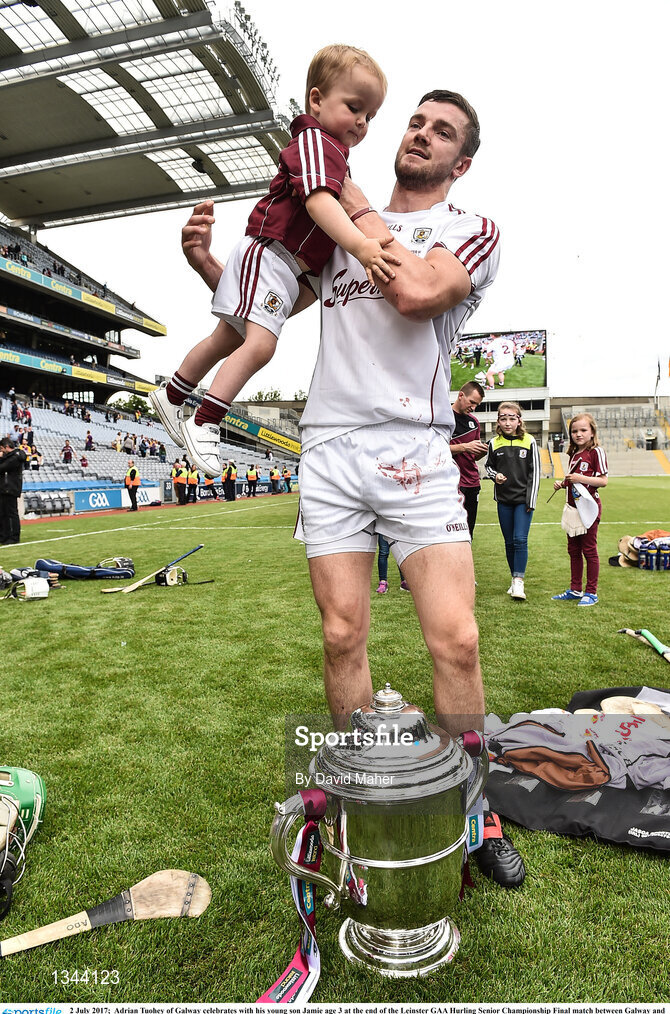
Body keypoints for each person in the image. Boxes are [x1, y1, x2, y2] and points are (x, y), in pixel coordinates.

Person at [180, 89, 526, 888]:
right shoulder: (334, 229)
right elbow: (275, 304)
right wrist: (211, 268)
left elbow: (414, 293)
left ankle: (476, 812)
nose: (420, 135)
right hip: (331, 448)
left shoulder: (469, 231)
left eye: (441, 132)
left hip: (416, 450)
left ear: (461, 162)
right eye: (415, 121)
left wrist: (347, 196)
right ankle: (356, 799)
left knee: (458, 640)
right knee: (341, 637)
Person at [149, 44, 398, 478]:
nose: (361, 122)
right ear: (316, 101)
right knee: (259, 344)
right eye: (355, 107)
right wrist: (361, 245)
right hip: (270, 252)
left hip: (285, 267)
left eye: (370, 116)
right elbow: (320, 202)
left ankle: (172, 396)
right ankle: (205, 421)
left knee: (229, 337)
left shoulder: (332, 152)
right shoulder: (317, 142)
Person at [551, 413, 608, 607]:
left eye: (583, 430)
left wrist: (578, 478)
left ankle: (591, 592)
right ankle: (576, 589)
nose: (578, 434)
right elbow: (575, 482)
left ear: (592, 432)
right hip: (572, 509)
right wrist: (564, 484)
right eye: (574, 431)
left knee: (589, 551)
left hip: (588, 509)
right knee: (573, 550)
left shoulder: (596, 451)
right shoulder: (574, 454)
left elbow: (603, 481)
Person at [484, 403, 540, 601]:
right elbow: (488, 467)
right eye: (503, 419)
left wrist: (531, 500)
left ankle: (519, 581)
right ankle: (513, 578)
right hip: (504, 500)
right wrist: (495, 476)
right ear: (498, 421)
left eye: (512, 418)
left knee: (520, 539)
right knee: (509, 542)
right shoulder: (494, 443)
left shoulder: (529, 441)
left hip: (523, 501)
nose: (508, 423)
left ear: (519, 420)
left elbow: (536, 473)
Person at [449, 381, 488, 539]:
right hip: (450, 484)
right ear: (460, 395)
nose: (473, 407)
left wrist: (481, 452)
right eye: (472, 402)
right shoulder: (444, 418)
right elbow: (433, 450)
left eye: (476, 405)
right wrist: (464, 447)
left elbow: (473, 455)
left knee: (468, 533)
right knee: (449, 534)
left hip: (472, 483)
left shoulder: (474, 422)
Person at [0, 437, 27, 544]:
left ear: (7, 447)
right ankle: (4, 536)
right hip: (3, 488)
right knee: (2, 513)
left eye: (2, 448)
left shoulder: (15, 457)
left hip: (10, 489)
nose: (1, 451)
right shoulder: (10, 457)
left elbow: (2, 467)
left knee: (11, 513)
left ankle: (14, 537)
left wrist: (1, 458)